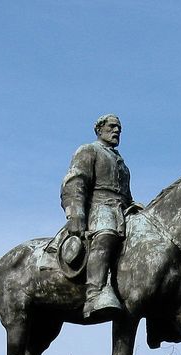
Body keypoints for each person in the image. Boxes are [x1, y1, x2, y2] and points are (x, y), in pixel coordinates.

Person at [61, 114, 135, 320]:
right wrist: (75, 213)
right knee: (106, 234)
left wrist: (134, 207)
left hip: (121, 210)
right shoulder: (89, 150)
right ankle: (95, 293)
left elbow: (126, 195)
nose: (117, 131)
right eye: (112, 126)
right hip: (98, 208)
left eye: (119, 128)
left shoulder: (122, 163)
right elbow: (74, 182)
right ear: (99, 129)